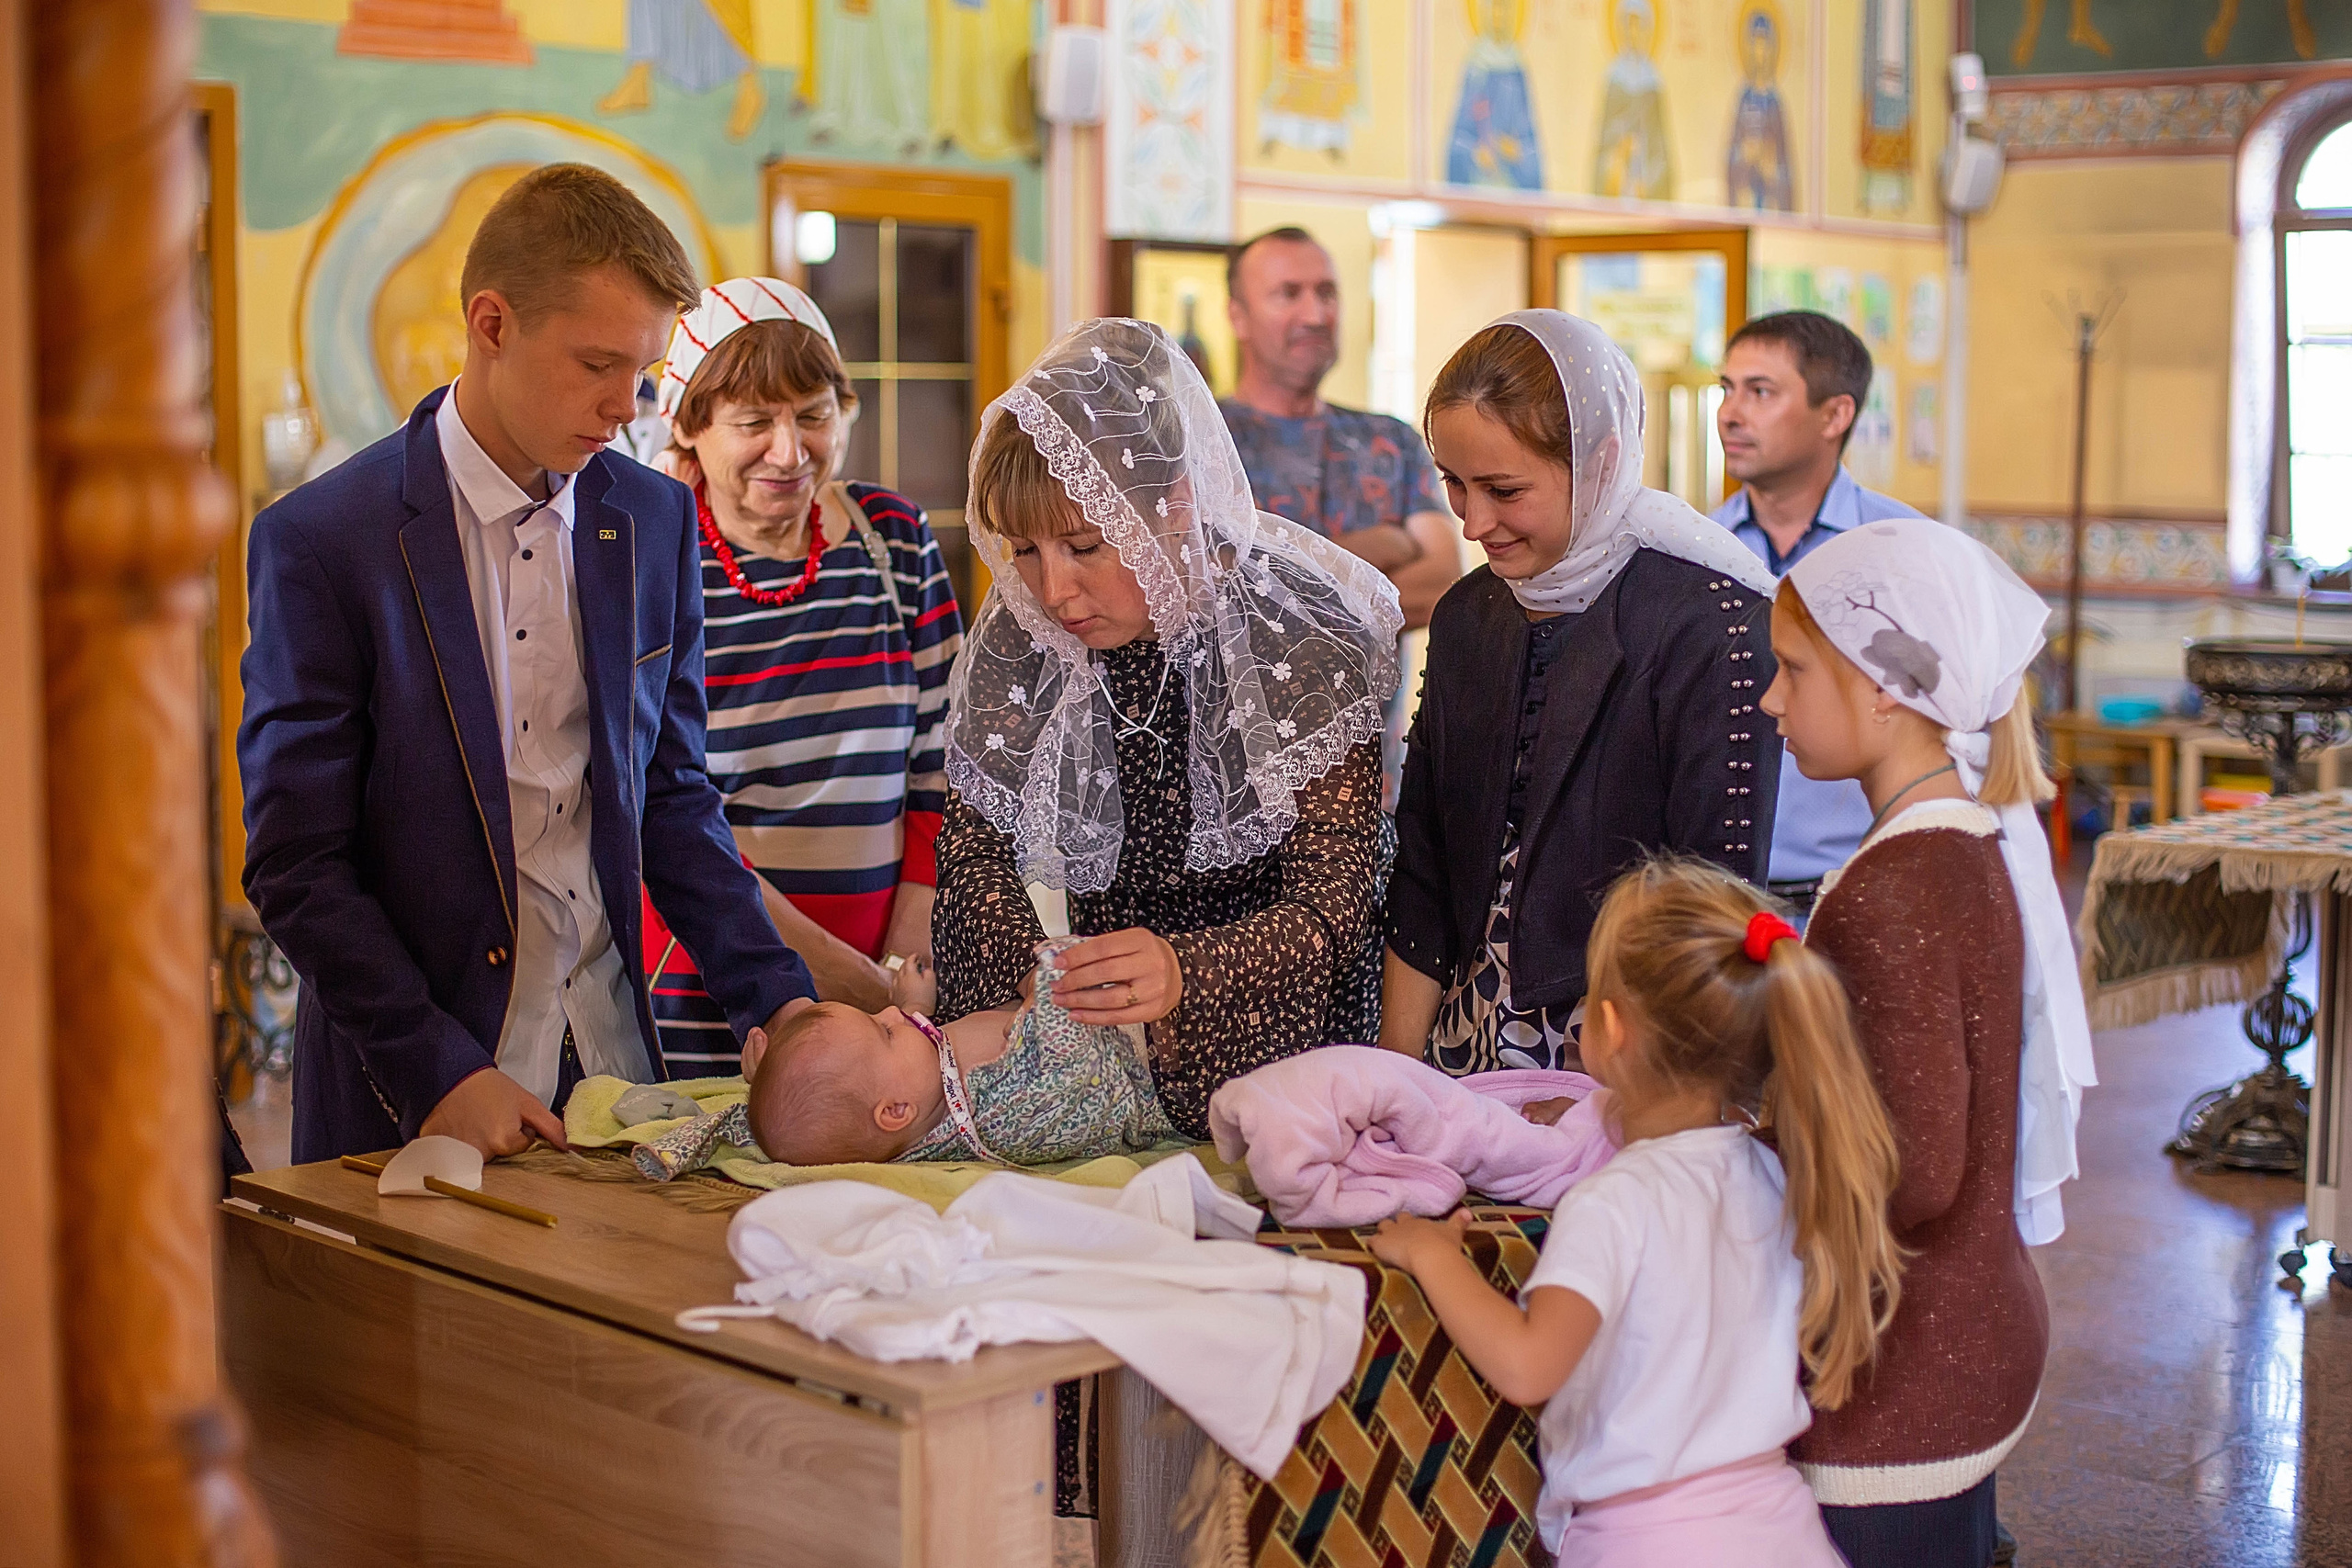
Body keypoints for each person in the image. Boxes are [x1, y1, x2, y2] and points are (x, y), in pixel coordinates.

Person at [239, 164, 815, 1163]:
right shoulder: (323, 541)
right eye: (597, 364)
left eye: (642, 372)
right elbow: (297, 863)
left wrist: (777, 998)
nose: (624, 405)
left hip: (618, 1074)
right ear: (492, 324)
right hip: (416, 1091)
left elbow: (671, 795)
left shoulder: (654, 518)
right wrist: (437, 1070)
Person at [932, 317, 1401, 1139]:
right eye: (1025, 550)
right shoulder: (1025, 635)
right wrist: (1044, 973)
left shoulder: (1296, 631)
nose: (1053, 590)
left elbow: (1338, 901)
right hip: (1109, 1045)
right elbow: (972, 850)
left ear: (1176, 506)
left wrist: (1188, 969)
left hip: (1284, 1041)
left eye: (1084, 545)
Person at [1367, 857, 1902, 1566]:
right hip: (1784, 1530)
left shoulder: (1612, 1202)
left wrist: (1434, 1257)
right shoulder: (1773, 1175)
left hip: (1644, 1542)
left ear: (1611, 1029)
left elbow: (1527, 1366)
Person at [1761, 517, 2096, 1568]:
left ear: (1882, 688)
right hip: (1971, 1327)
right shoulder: (1962, 841)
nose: (1770, 700)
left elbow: (1913, 1171)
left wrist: (1756, 1131)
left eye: (1792, 670)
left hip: (1900, 1378)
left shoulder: (1894, 887)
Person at [1380, 310, 1781, 1076]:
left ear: (1602, 461)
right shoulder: (1469, 614)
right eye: (1455, 485)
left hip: (1635, 1055)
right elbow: (1424, 870)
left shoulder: (1712, 623)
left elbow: (1711, 912)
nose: (1473, 524)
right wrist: (1396, 1081)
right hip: (1459, 1039)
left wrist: (1623, 1104)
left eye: (1504, 490)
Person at [636, 277, 963, 1068]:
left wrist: (902, 975)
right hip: (710, 999)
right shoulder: (653, 562)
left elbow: (945, 771)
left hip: (889, 1001)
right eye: (754, 422)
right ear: (689, 426)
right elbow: (663, 812)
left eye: (814, 416)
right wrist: (842, 984)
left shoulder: (893, 539)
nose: (790, 451)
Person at [1219, 227, 1459, 800]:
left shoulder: (1389, 442)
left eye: (1326, 292)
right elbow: (1219, 603)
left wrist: (1283, 571)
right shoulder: (1202, 446)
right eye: (1289, 293)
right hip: (1234, 795)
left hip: (1375, 793)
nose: (1315, 313)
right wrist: (1383, 546)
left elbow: (1442, 582)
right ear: (1237, 316)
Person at [1712, 310, 1922, 918]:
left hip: (1862, 897)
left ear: (1835, 415)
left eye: (1760, 392)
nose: (1730, 413)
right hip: (1719, 902)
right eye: (1727, 389)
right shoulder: (1695, 552)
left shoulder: (1901, 548)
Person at [744, 938, 1174, 1167]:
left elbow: (909, 1063)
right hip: (1151, 1063)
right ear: (895, 1111)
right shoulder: (997, 1111)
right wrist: (1048, 975)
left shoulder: (919, 1090)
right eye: (885, 1031)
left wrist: (915, 1005)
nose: (891, 1012)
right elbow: (1073, 1067)